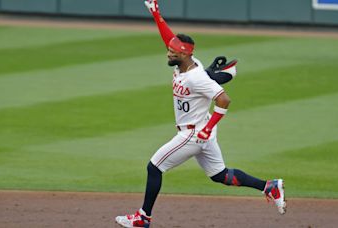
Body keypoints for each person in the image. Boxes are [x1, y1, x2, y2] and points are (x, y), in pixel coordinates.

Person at [115, 1, 286, 227]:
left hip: (194, 134)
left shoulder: (197, 77)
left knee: (154, 167)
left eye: (172, 51)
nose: (168, 53)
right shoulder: (184, 63)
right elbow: (169, 38)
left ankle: (142, 218)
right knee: (220, 175)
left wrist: (206, 129)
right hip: (203, 132)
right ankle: (269, 186)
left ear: (184, 54)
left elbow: (224, 99)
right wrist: (156, 13)